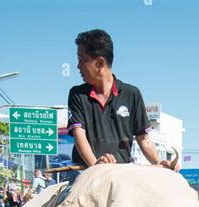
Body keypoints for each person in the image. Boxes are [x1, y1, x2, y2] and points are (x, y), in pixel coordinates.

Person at [67, 29, 174, 169]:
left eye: (82, 60)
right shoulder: (77, 94)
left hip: (121, 173)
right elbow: (79, 135)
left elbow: (144, 139)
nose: (78, 66)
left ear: (100, 63)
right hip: (85, 171)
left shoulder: (132, 94)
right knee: (75, 190)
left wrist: (159, 162)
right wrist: (96, 167)